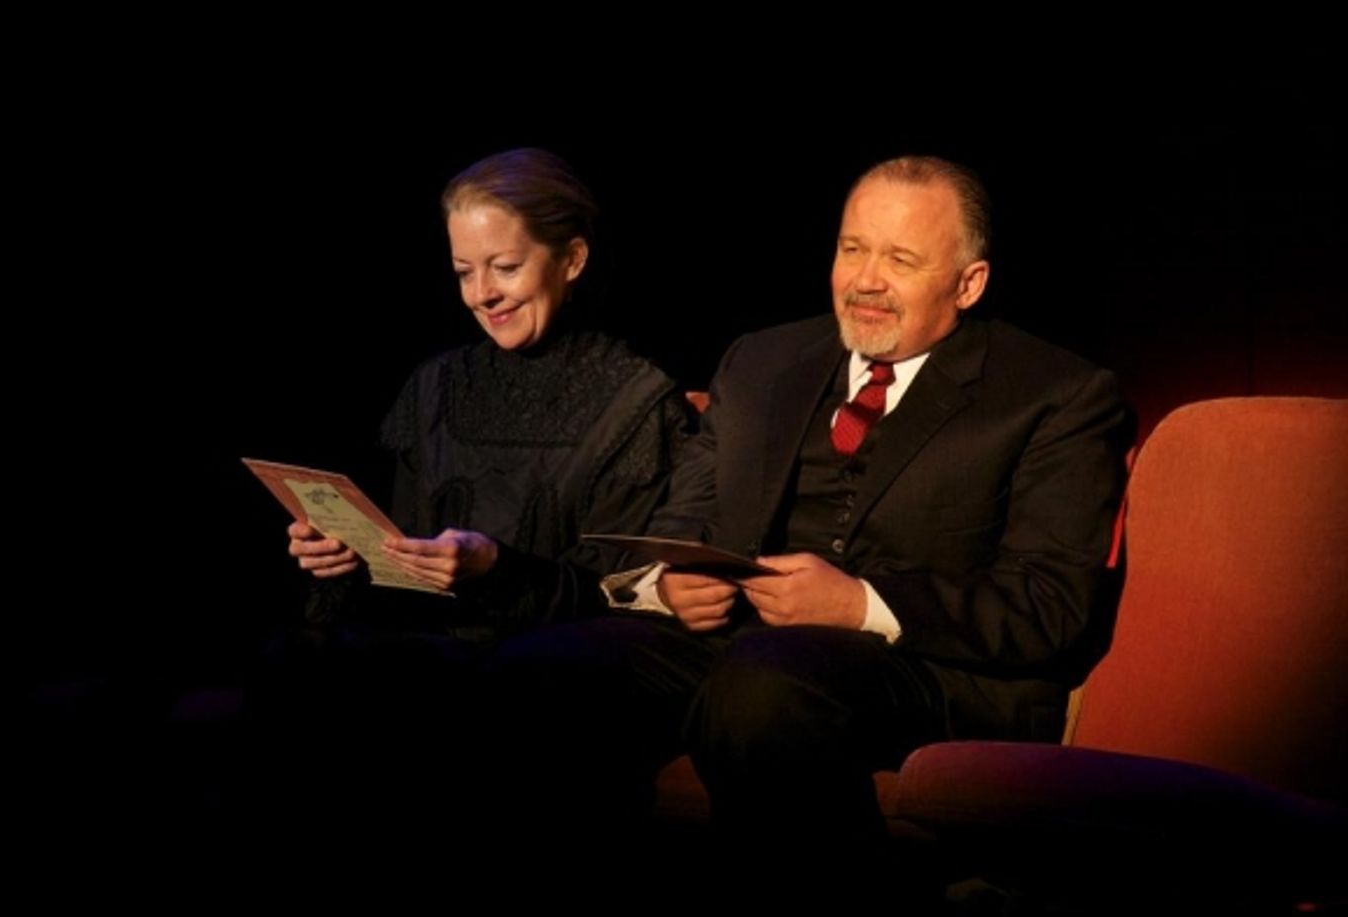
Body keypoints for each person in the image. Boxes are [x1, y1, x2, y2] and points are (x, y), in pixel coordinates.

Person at [490, 154, 1134, 879]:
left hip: (929, 669)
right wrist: (668, 585)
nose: (865, 280)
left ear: (968, 282)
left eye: (900, 259)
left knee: (765, 688)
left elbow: (1051, 604)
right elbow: (685, 522)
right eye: (852, 249)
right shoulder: (762, 361)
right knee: (545, 671)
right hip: (741, 641)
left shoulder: (1058, 395)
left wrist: (857, 604)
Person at [249, 148, 691, 845]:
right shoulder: (435, 388)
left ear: (571, 260)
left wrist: (497, 569)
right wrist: (345, 554)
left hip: (556, 666)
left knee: (464, 698)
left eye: (505, 267)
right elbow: (401, 554)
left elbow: (623, 593)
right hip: (424, 647)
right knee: (305, 663)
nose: (482, 293)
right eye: (464, 272)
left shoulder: (636, 400)